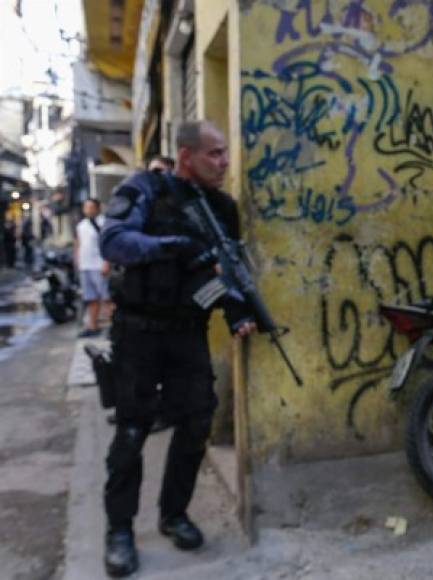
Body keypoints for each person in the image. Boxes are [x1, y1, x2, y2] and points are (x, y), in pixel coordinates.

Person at [98, 121, 255, 578]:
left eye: (226, 153)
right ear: (186, 156)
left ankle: (174, 513)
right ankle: (120, 530)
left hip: (187, 332)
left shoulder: (222, 208)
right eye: (215, 154)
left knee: (196, 422)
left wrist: (237, 312)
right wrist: (172, 246)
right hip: (138, 333)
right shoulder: (145, 187)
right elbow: (114, 241)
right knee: (132, 431)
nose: (225, 162)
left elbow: (225, 269)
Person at [74, 199, 111, 337]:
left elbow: (108, 244)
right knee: (91, 298)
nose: (88, 210)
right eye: (86, 207)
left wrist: (107, 262)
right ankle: (93, 326)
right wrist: (78, 261)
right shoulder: (81, 225)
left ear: (97, 208)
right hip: (85, 266)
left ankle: (113, 327)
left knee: (106, 298)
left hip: (99, 265)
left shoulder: (103, 223)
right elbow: (78, 244)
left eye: (91, 207)